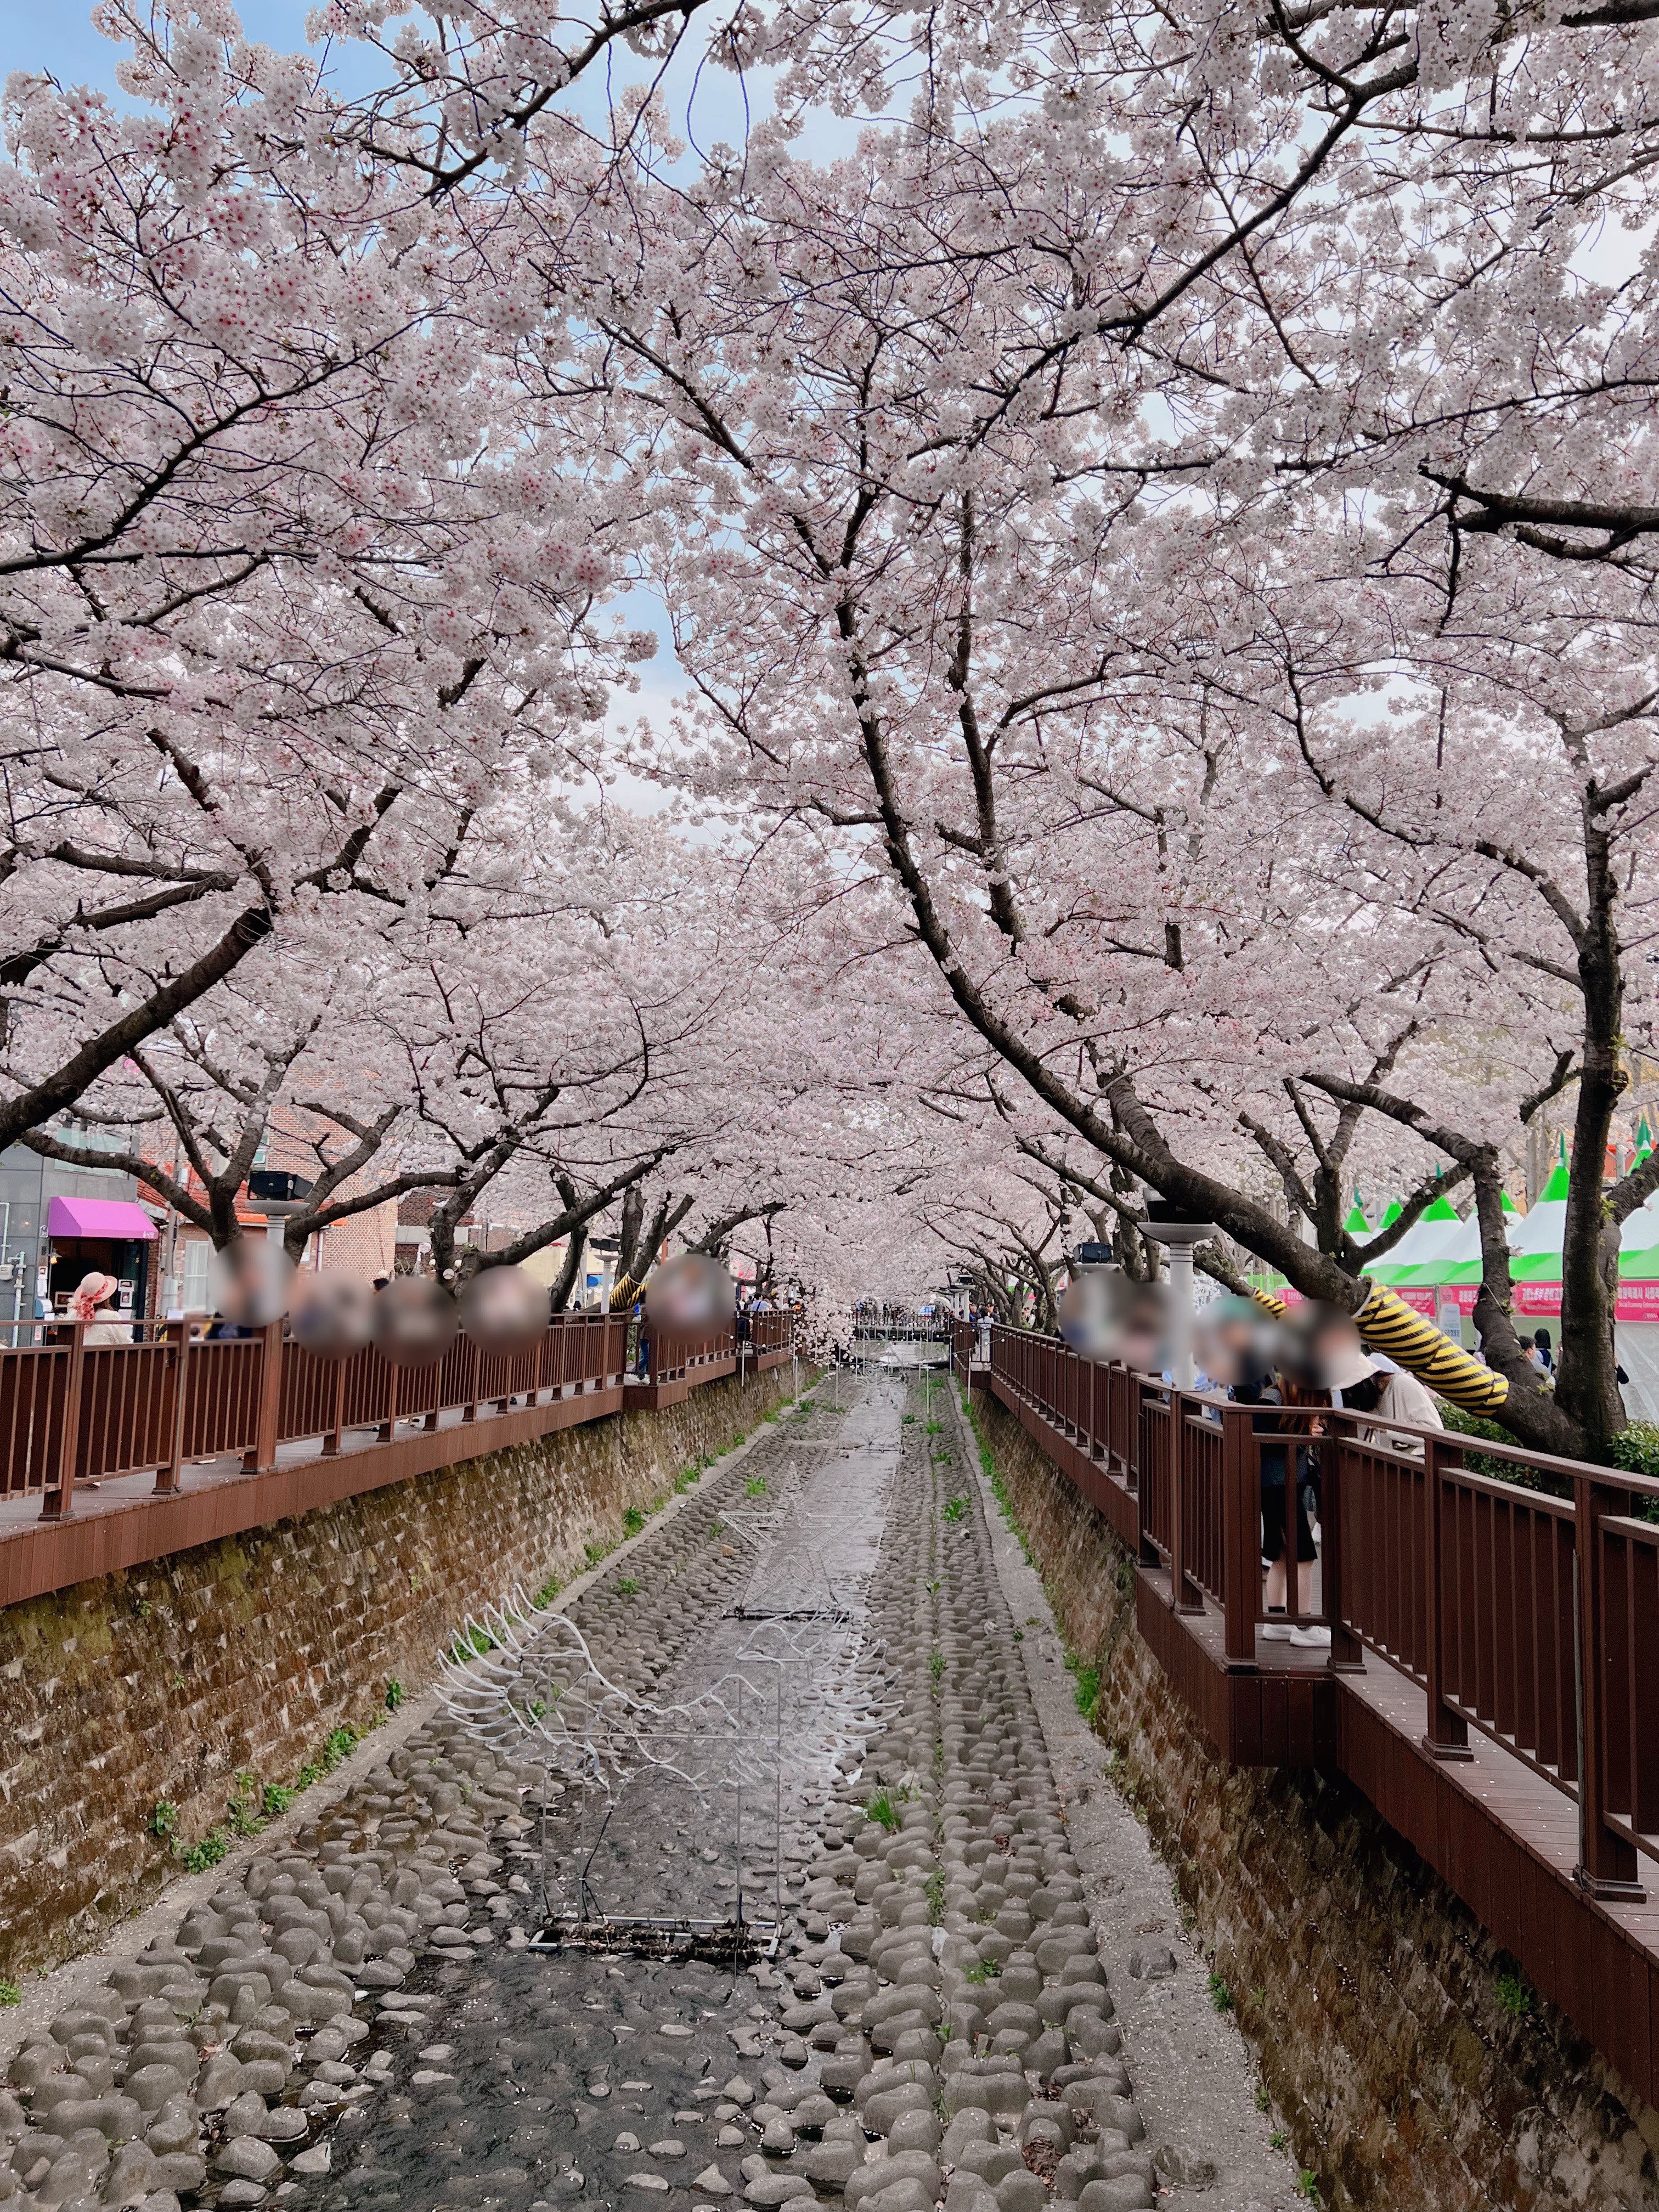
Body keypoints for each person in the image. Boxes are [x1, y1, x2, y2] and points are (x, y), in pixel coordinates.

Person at [1326, 1345, 1443, 1457]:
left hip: (1418, 1461)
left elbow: (1433, 1430)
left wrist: (1386, 1428)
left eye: (1352, 1389)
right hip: (1394, 1463)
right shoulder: (1371, 1399)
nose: (1351, 1395)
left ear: (1365, 1382)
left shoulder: (1404, 1384)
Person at [70, 1271, 131, 1345]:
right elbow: (125, 1343)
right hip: (101, 1356)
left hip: (74, 1356)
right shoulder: (111, 1316)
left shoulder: (72, 1314)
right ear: (107, 1297)